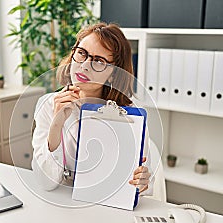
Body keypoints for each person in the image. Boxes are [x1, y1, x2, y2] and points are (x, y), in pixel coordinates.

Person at [32, 22, 160, 199]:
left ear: (114, 73)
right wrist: (57, 124)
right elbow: (46, 183)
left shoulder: (131, 115)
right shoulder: (48, 105)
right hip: (63, 205)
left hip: (108, 206)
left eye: (99, 61)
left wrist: (142, 182)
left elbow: (144, 183)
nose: (84, 66)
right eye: (82, 53)